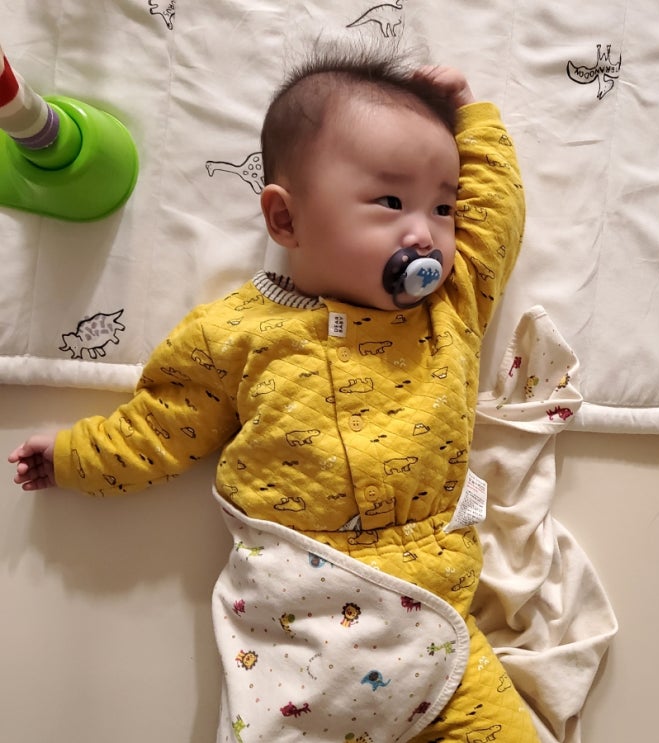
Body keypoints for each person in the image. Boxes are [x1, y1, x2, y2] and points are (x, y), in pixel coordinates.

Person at [9, 45, 535, 742]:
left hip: (438, 646)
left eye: (442, 206)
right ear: (285, 221)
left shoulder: (450, 309)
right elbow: (162, 425)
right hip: (301, 648)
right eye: (390, 202)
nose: (425, 233)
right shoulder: (237, 333)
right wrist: (75, 456)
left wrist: (472, 118)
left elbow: (495, 217)